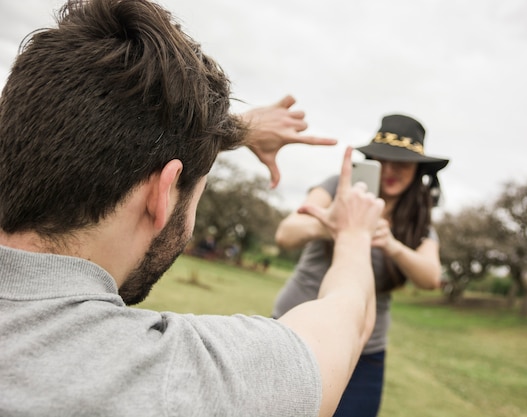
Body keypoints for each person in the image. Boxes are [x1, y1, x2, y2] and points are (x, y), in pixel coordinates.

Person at [0, 1, 385, 416]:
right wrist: (355, 233)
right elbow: (348, 322)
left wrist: (227, 130)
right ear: (162, 196)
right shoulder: (169, 381)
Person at [273, 114, 451, 417]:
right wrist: (334, 225)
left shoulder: (417, 219)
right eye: (385, 160)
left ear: (418, 170)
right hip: (294, 329)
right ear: (371, 160)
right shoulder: (337, 188)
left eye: (403, 163)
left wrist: (392, 244)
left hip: (364, 352)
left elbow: (430, 277)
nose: (392, 171)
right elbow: (285, 234)